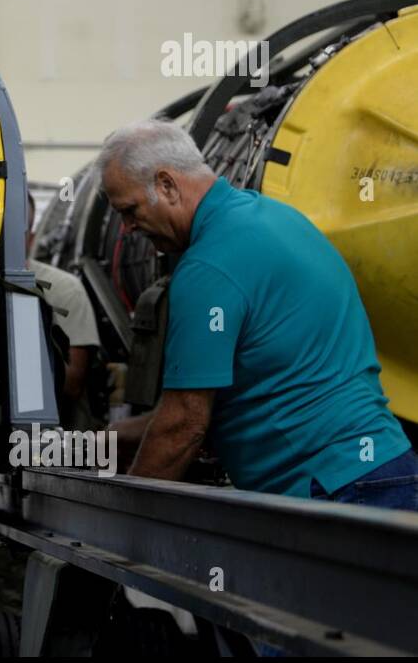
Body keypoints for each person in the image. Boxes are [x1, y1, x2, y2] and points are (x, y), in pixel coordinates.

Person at [97, 119, 416, 510]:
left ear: (166, 184)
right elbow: (230, 400)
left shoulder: (208, 266)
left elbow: (184, 423)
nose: (127, 228)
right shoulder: (279, 218)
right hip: (385, 468)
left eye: (129, 210)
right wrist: (116, 434)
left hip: (332, 489)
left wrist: (123, 519)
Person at [0, 189, 102, 429]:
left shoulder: (64, 291)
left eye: (12, 232)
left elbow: (73, 383)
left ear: (31, 238)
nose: (0, 243)